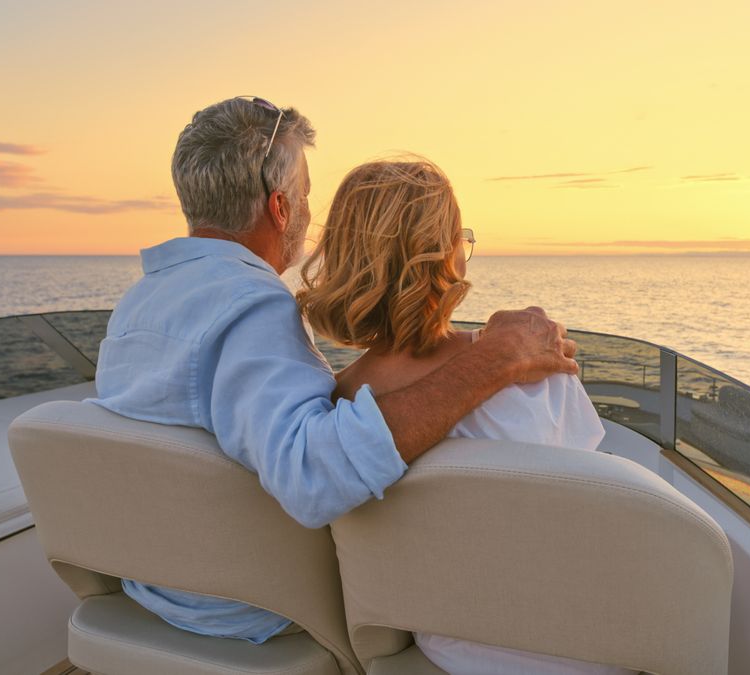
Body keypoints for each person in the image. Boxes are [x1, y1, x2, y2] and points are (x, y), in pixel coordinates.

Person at [88, 97, 578, 644]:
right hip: (251, 609)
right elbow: (313, 477)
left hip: (156, 585)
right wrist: (494, 358)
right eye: (304, 194)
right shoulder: (250, 305)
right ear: (279, 208)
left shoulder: (140, 303)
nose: (305, 209)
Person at [298, 158, 635, 675]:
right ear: (447, 255)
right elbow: (590, 517)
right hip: (581, 650)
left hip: (451, 650)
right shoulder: (535, 371)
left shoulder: (340, 408)